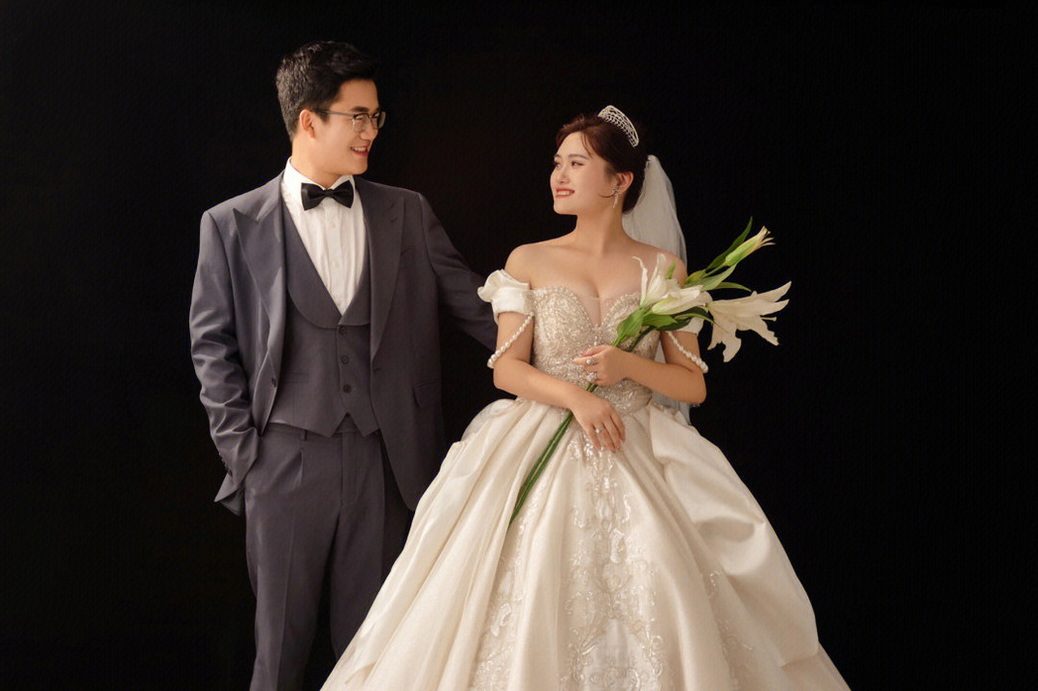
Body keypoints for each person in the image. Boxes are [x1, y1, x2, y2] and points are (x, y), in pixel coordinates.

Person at [320, 106, 850, 689]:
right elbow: (507, 370)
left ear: (620, 181)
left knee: (663, 579)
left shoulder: (664, 269)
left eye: (576, 163)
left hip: (639, 443)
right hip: (538, 437)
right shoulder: (529, 260)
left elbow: (692, 384)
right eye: (557, 163)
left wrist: (628, 367)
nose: (559, 175)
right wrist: (578, 399)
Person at [188, 40, 497, 690]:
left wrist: (571, 339)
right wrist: (246, 455)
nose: (371, 131)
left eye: (375, 116)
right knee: (278, 655)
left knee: (377, 656)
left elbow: (476, 307)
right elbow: (211, 347)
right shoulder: (230, 223)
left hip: (388, 462)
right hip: (283, 461)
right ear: (309, 120)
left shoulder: (407, 211)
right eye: (357, 116)